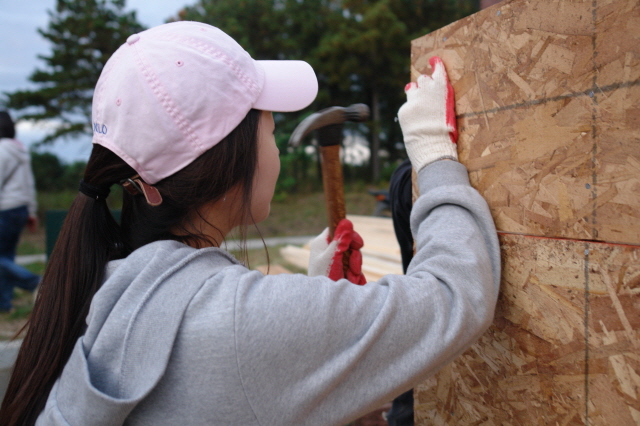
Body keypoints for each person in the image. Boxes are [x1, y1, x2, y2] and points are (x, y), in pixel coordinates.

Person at [0, 22, 500, 426]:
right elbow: (455, 295)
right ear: (229, 159)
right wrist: (434, 154)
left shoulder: (107, 289)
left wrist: (310, 326)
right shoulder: (237, 324)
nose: (276, 149)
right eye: (271, 130)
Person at [0, 111, 40, 313]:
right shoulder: (20, 149)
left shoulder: (2, 150)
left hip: (5, 209)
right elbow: (29, 184)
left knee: (3, 259)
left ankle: (35, 282)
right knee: (6, 257)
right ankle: (4, 305)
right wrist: (31, 211)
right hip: (21, 208)